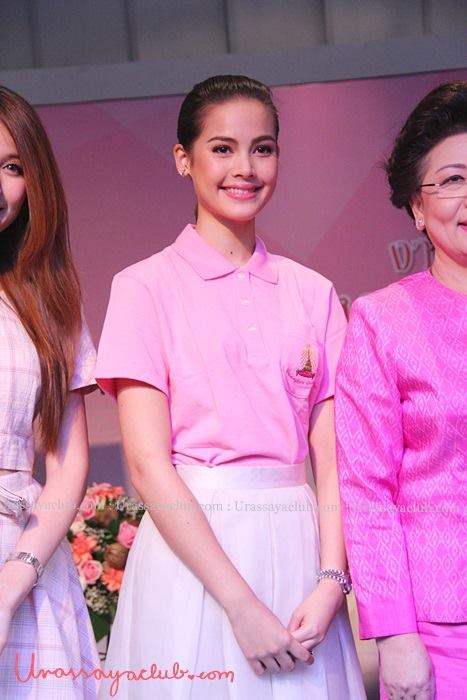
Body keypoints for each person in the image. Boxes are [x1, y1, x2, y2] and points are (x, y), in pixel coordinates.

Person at [95, 74, 365, 699]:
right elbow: (147, 466)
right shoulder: (143, 287)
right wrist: (240, 605)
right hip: (195, 557)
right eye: (222, 148)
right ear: (183, 159)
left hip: (300, 551)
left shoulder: (313, 292)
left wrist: (331, 581)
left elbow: (335, 460)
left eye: (262, 148)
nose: (245, 168)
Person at [335, 80, 467, 700]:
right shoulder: (382, 320)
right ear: (417, 205)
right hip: (443, 627)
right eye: (454, 179)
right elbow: (366, 491)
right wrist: (394, 634)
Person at [0, 85, 99, 698]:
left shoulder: (49, 303)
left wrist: (13, 583)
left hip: (25, 558)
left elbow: (67, 465)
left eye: (12, 167)